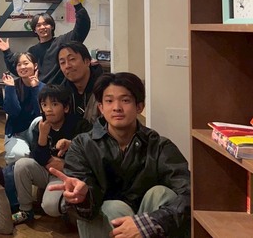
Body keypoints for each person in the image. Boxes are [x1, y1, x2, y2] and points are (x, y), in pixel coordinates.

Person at [49, 72, 191, 237]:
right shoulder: (82, 145)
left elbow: (189, 192)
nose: (117, 107)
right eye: (109, 101)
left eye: (125, 100)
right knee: (115, 207)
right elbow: (78, 205)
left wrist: (146, 224)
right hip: (102, 227)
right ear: (101, 107)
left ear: (139, 107)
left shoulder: (159, 146)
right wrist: (83, 197)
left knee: (161, 193)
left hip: (147, 229)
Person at [12, 85, 92, 224]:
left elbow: (90, 153)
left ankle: (68, 208)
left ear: (65, 108)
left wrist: (71, 146)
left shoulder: (79, 124)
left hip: (67, 176)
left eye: (54, 104)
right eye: (44, 105)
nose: (48, 109)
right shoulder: (41, 126)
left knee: (50, 207)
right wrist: (43, 135)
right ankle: (26, 210)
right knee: (21, 164)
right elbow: (38, 158)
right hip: (47, 170)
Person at [0, 0, 90, 85]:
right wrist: (7, 52)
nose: (42, 27)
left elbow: (82, 27)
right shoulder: (33, 51)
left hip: (60, 91)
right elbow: (20, 69)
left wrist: (76, 4)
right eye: (38, 25)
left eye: (45, 24)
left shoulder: (62, 42)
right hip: (39, 91)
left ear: (52, 26)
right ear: (35, 30)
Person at [2, 52, 46, 164]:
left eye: (26, 63)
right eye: (19, 65)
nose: (22, 67)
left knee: (39, 120)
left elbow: (40, 113)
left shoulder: (43, 87)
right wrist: (10, 88)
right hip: (16, 133)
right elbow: (13, 112)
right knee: (19, 155)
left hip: (36, 132)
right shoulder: (13, 85)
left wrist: (35, 88)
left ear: (35, 66)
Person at [58, 41, 104, 123]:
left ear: (87, 61)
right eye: (62, 62)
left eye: (72, 59)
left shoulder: (104, 89)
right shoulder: (61, 93)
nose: (67, 66)